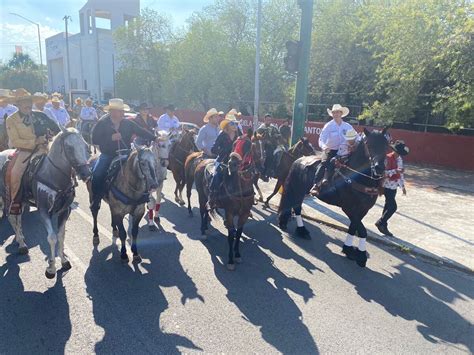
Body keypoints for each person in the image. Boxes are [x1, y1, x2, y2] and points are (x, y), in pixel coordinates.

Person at [90, 98, 158, 210]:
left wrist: (155, 138)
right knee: (97, 174)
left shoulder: (128, 123)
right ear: (112, 111)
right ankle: (96, 200)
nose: (122, 113)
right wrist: (110, 138)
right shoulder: (102, 123)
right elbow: (94, 139)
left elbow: (141, 131)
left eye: (122, 111)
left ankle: (146, 197)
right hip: (108, 154)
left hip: (126, 153)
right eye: (119, 111)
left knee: (142, 169)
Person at [6, 89, 60, 214]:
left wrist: (56, 137)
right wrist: (35, 141)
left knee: (64, 163)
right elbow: (15, 141)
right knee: (16, 173)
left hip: (46, 148)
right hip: (25, 151)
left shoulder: (40, 115)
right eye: (24, 102)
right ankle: (15, 201)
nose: (28, 105)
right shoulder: (11, 119)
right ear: (18, 105)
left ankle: (66, 192)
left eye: (29, 102)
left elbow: (56, 128)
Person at [313, 104, 353, 187]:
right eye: (334, 112)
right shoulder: (328, 126)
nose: (336, 114)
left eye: (338, 112)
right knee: (324, 163)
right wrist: (325, 147)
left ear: (341, 114)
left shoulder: (347, 126)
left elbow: (355, 139)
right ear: (332, 114)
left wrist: (352, 145)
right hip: (330, 150)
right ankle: (316, 185)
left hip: (344, 151)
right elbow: (321, 139)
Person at [375, 140, 409, 237]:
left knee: (388, 206)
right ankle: (380, 222)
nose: (398, 154)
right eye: (398, 152)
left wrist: (403, 186)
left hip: (394, 186)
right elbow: (384, 173)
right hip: (386, 185)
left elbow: (401, 173)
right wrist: (395, 171)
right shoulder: (388, 158)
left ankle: (383, 225)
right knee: (393, 207)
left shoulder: (400, 159)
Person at [207, 113, 239, 209]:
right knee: (216, 176)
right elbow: (213, 149)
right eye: (232, 123)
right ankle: (212, 198)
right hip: (223, 160)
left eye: (236, 124)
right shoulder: (222, 135)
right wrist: (225, 152)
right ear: (227, 125)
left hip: (235, 161)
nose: (235, 126)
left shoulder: (238, 134)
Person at [257, 113, 280, 180]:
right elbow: (257, 136)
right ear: (264, 120)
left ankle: (275, 170)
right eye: (267, 120)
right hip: (264, 145)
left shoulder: (274, 127)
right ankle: (265, 172)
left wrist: (277, 136)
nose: (268, 121)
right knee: (269, 154)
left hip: (274, 145)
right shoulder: (261, 128)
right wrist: (265, 139)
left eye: (270, 120)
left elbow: (279, 135)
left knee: (281, 152)